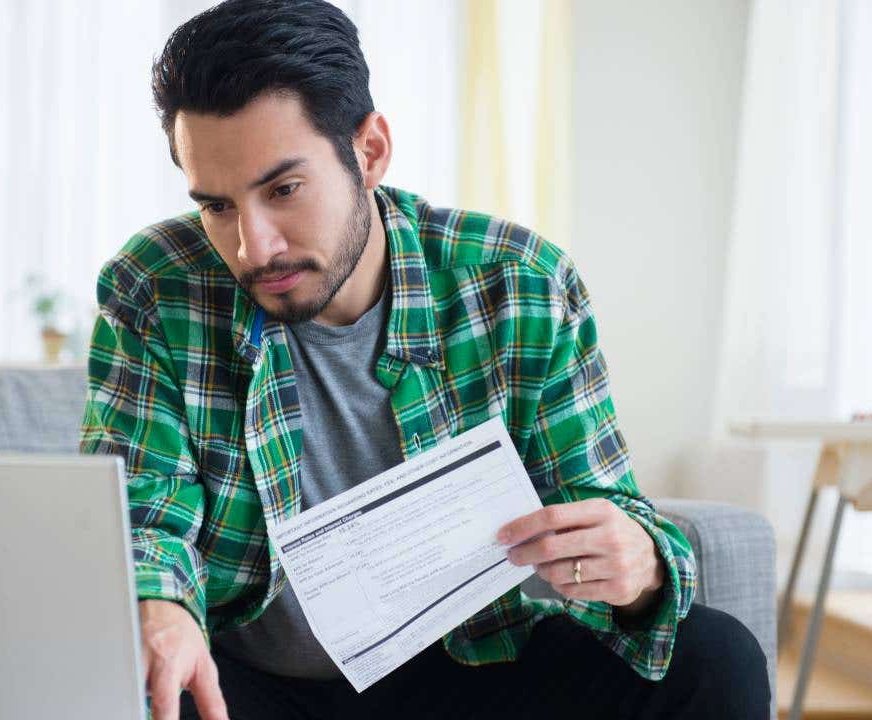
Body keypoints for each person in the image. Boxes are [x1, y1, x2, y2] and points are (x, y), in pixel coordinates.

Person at [79, 1, 770, 718]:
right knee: (134, 674)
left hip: (468, 672)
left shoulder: (518, 283)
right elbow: (144, 515)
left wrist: (642, 565)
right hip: (251, 689)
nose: (255, 247)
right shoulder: (156, 285)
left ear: (370, 151)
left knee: (715, 660)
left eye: (283, 190)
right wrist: (156, 604)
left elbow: (607, 505)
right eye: (218, 207)